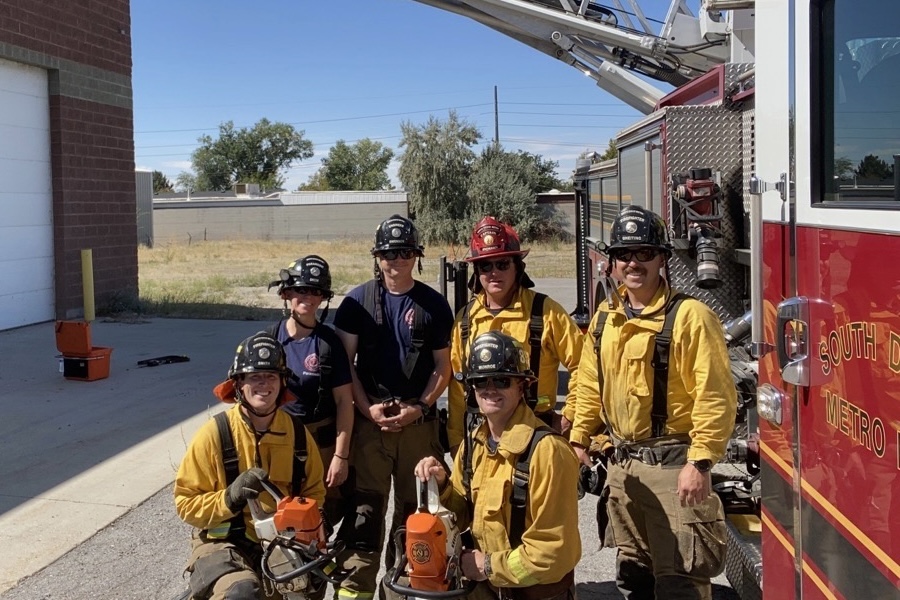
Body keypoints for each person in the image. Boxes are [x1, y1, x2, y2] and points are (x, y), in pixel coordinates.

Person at [569, 205, 737, 600]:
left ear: (662, 257)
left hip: (674, 471)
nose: (634, 263)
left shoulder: (691, 317)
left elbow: (716, 395)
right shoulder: (607, 317)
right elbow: (590, 382)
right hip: (622, 470)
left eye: (644, 253)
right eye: (625, 254)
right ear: (612, 262)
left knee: (680, 582)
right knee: (633, 575)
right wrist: (579, 437)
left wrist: (700, 463)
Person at [332, 214, 454, 600]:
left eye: (404, 253)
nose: (396, 261)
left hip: (417, 427)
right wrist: (367, 409)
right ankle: (356, 591)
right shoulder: (356, 303)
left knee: (413, 515)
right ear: (377, 256)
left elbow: (443, 366)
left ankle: (403, 590)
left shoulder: (434, 304)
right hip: (371, 426)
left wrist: (420, 406)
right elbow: (343, 367)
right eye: (388, 253)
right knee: (364, 514)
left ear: (416, 256)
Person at [415, 331, 581, 600]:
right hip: (487, 589)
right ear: (471, 390)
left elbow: (552, 552)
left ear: (522, 387)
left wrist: (487, 566)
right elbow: (461, 514)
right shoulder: (475, 444)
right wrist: (442, 483)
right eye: (481, 381)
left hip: (534, 594)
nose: (490, 388)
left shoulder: (548, 452)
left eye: (502, 380)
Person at [174, 332, 327, 600]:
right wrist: (229, 498)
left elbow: (316, 494)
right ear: (238, 384)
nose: (263, 385)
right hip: (223, 542)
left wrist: (302, 533)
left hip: (282, 543)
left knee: (308, 586)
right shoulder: (214, 434)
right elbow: (186, 504)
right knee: (241, 592)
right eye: (254, 377)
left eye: (271, 377)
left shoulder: (298, 435)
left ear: (282, 384)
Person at [447, 216, 583, 455]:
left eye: (502, 264)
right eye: (485, 266)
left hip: (536, 437)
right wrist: (457, 441)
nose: (493, 273)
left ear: (517, 266)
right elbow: (458, 389)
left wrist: (569, 417)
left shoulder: (545, 312)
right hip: (481, 439)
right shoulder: (465, 320)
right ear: (476, 272)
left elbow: (586, 368)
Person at [267, 254, 354, 527]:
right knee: (277, 512)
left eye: (316, 291)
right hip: (279, 441)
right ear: (286, 293)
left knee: (321, 516)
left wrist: (340, 456)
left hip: (322, 445)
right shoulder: (269, 340)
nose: (309, 296)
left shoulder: (330, 344)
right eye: (301, 289)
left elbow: (344, 402)